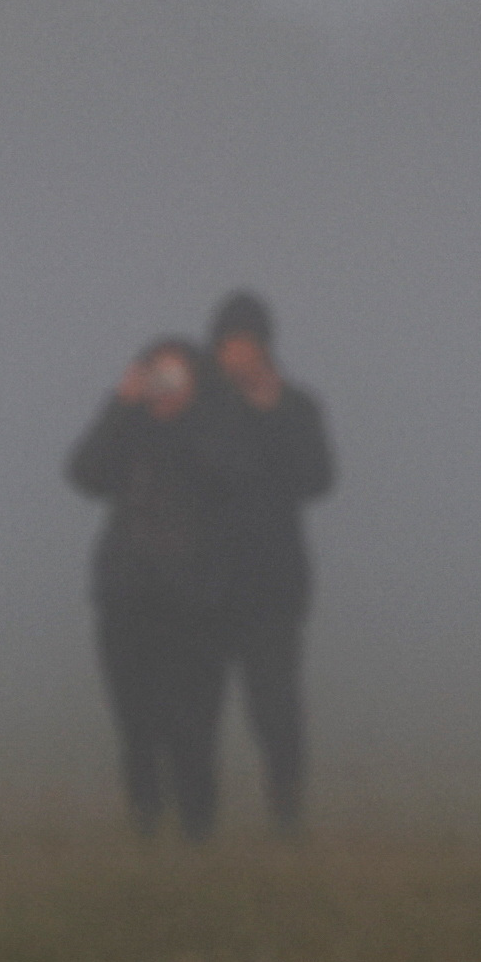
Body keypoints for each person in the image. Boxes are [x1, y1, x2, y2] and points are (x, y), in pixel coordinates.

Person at [65, 336, 228, 840]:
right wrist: (121, 404)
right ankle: (146, 821)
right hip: (126, 591)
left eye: (177, 377)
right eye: (157, 375)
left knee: (192, 722)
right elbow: (83, 473)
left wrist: (190, 413)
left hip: (194, 595)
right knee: (136, 722)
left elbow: (230, 477)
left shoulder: (213, 430)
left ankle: (198, 828)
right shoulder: (128, 428)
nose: (166, 387)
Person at [196, 291, 336, 835]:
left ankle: (286, 817)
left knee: (275, 707)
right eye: (227, 344)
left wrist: (271, 410)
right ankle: (196, 823)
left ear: (265, 347)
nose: (236, 354)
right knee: (196, 710)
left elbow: (319, 479)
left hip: (274, 584)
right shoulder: (200, 408)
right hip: (201, 582)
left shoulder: (298, 408)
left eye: (245, 343)